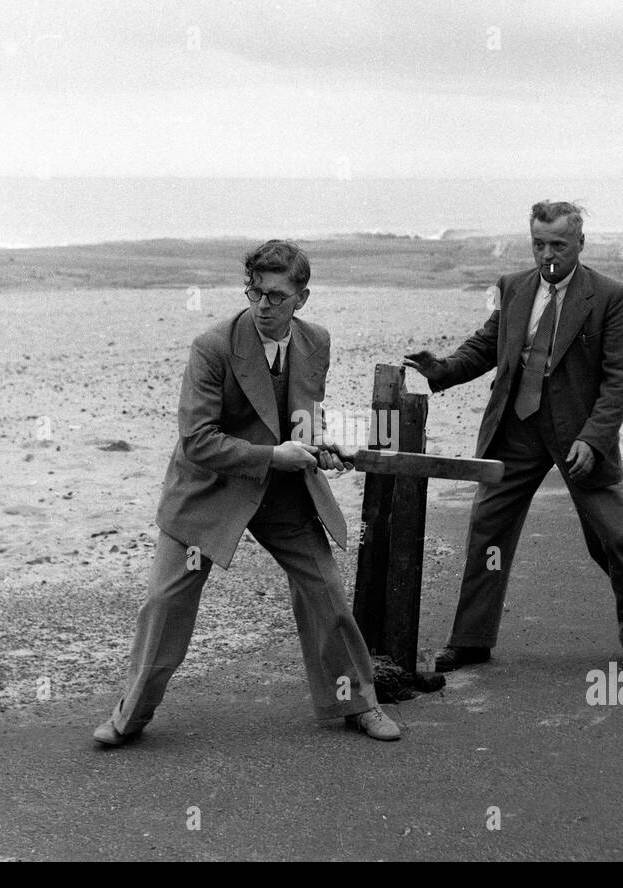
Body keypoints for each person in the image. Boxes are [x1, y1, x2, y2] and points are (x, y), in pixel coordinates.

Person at [93, 240, 401, 745]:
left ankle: (360, 704)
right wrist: (273, 455)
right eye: (254, 292)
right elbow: (197, 441)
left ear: (302, 298)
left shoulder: (316, 341)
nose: (262, 305)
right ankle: (131, 716)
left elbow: (302, 418)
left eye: (276, 296)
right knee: (166, 604)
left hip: (280, 490)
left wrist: (319, 445)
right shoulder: (212, 346)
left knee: (325, 593)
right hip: (209, 490)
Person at [404, 201, 623, 672]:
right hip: (516, 428)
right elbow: (487, 346)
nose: (547, 254)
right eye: (539, 244)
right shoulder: (513, 288)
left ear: (581, 244)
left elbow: (620, 378)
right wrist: (441, 369)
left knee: (612, 537)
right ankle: (470, 639)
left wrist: (594, 438)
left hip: (580, 438)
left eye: (559, 245)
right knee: (488, 532)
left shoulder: (610, 296)